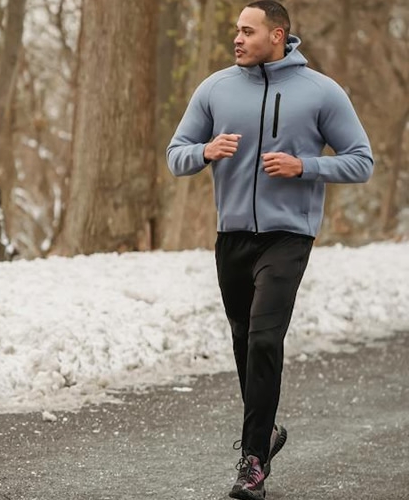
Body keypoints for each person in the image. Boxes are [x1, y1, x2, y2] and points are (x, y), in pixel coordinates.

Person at [166, 1, 373, 499]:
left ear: (277, 35)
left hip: (288, 236)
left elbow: (361, 161)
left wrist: (306, 167)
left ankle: (253, 460)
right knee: (244, 342)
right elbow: (177, 156)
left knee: (264, 339)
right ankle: (268, 431)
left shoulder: (321, 91)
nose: (236, 39)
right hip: (231, 237)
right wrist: (205, 152)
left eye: (247, 30)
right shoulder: (214, 88)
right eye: (236, 30)